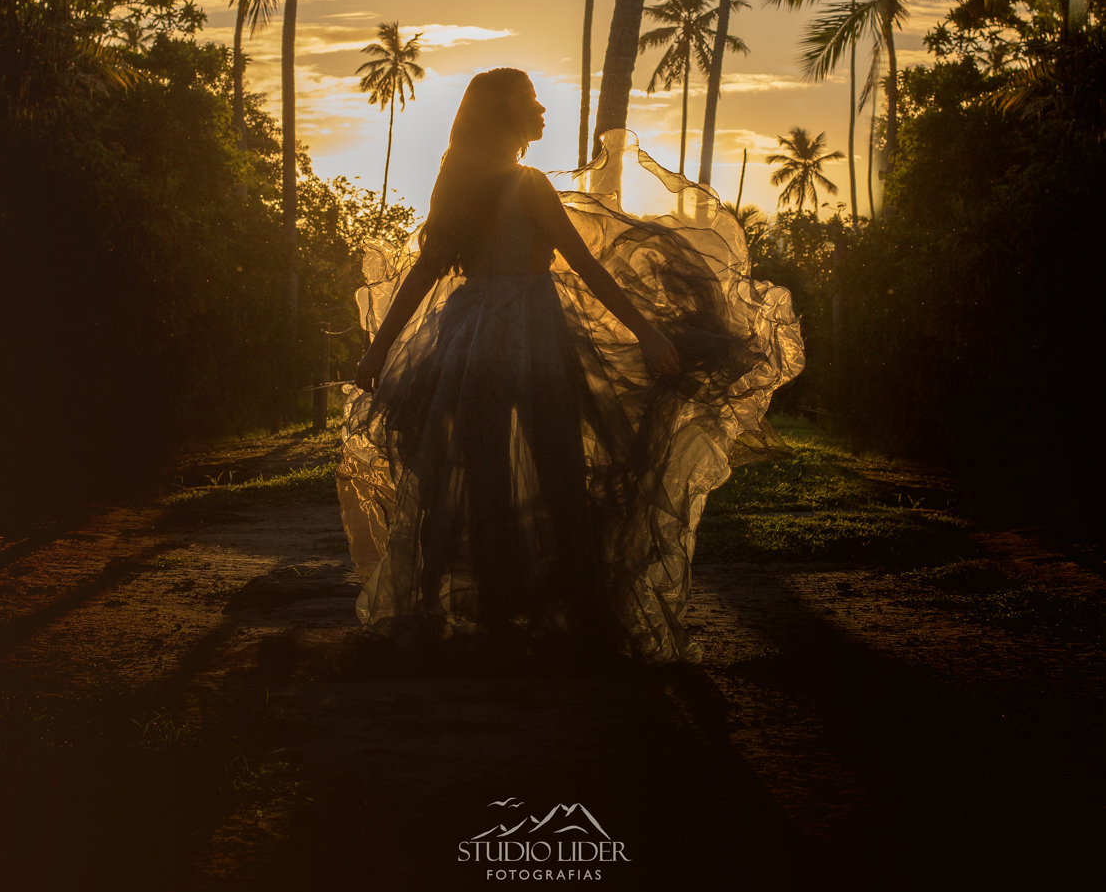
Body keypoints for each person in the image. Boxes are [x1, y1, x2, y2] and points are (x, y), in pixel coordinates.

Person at [339, 67, 802, 664]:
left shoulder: (460, 181)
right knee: (557, 473)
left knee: (482, 477)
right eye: (529, 100)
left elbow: (430, 272)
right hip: (526, 328)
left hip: (470, 329)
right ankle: (576, 612)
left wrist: (379, 349)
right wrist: (647, 332)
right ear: (505, 115)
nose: (541, 109)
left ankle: (496, 611)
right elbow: (584, 264)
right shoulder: (523, 183)